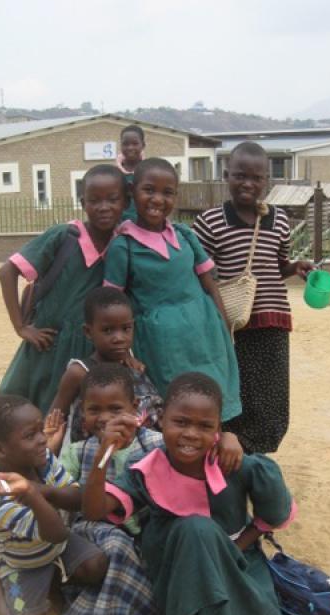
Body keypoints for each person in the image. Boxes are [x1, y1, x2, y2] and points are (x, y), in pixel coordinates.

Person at [83, 373, 297, 615]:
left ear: (218, 430)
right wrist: (104, 453)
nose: (190, 434)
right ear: (161, 421)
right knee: (194, 529)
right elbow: (94, 510)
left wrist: (237, 548)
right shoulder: (148, 466)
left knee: (202, 533)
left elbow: (275, 511)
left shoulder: (232, 462)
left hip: (235, 561)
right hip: (173, 569)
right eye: (180, 422)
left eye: (204, 426)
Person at [192, 141, 313, 453]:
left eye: (256, 178)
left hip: (273, 321)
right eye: (240, 175)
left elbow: (276, 267)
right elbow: (199, 275)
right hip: (231, 325)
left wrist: (295, 267)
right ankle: (230, 451)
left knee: (272, 396)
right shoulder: (210, 221)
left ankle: (256, 456)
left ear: (266, 181)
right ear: (226, 176)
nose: (247, 183)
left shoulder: (280, 221)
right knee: (235, 391)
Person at [103, 157, 241, 423]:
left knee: (212, 398)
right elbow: (113, 304)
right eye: (149, 190)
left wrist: (224, 326)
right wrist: (124, 353)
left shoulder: (184, 235)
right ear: (132, 191)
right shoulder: (124, 246)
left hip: (206, 334)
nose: (157, 199)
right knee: (175, 405)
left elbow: (209, 284)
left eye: (167, 193)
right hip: (162, 344)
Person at [0, 394, 108, 615]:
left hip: (55, 548)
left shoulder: (42, 461)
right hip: (24, 564)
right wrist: (31, 495)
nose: (43, 439)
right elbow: (56, 533)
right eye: (30, 435)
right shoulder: (1, 499)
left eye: (40, 430)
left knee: (97, 565)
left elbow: (77, 499)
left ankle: (51, 577)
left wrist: (40, 489)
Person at [0, 164, 128, 415]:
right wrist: (20, 327)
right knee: (22, 411)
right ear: (83, 203)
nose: (103, 207)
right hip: (49, 344)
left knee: (73, 417)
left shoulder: (122, 246)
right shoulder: (65, 237)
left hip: (91, 350)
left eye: (113, 199)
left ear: (125, 202)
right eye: (94, 200)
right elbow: (7, 272)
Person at [56, 364, 162, 615]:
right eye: (94, 410)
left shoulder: (156, 444)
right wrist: (101, 454)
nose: (104, 418)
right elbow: (66, 500)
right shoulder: (77, 452)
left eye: (115, 409)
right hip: (96, 530)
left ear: (135, 407)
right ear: (82, 412)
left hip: (145, 529)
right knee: (115, 545)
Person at [48, 286, 163, 451]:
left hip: (135, 454)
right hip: (87, 455)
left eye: (126, 329)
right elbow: (54, 420)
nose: (119, 338)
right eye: (108, 330)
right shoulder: (79, 372)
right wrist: (49, 455)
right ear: (88, 332)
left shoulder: (132, 365)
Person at [117, 124, 146, 221]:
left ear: (143, 145)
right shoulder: (115, 174)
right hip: (119, 225)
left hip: (144, 224)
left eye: (135, 143)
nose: (130, 147)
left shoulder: (149, 173)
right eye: (125, 144)